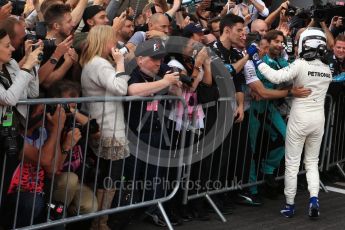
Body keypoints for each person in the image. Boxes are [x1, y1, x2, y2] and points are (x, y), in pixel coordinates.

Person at [247, 27, 345, 218]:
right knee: (312, 163)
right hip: (318, 120)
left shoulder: (300, 64)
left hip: (300, 119)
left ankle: (290, 205)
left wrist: (256, 60)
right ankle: (314, 200)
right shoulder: (326, 69)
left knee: (292, 164)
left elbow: (275, 77)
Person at [80, 25, 130, 230]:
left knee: (105, 177)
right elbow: (120, 88)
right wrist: (120, 63)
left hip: (104, 125)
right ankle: (100, 223)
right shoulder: (99, 64)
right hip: (109, 129)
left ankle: (100, 221)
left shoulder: (93, 62)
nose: (115, 45)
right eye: (112, 40)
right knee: (109, 179)